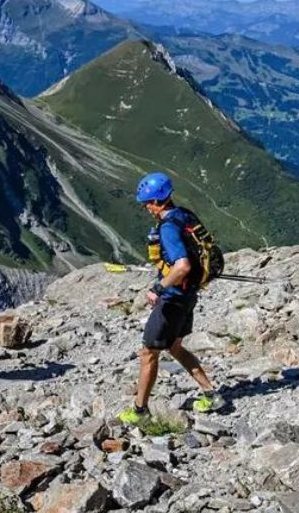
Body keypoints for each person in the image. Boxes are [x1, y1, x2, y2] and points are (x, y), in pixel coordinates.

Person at [119, 172, 225, 426]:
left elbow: (183, 266)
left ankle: (139, 412)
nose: (146, 207)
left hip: (174, 299)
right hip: (189, 296)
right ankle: (212, 394)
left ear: (157, 200)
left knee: (148, 353)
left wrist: (158, 288)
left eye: (147, 202)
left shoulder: (168, 227)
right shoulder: (184, 215)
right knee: (174, 347)